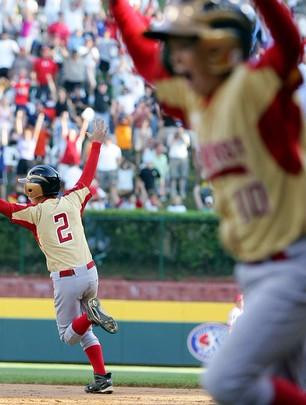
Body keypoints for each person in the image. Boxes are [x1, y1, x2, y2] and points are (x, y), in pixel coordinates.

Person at [110, 0, 306, 403]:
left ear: (219, 50)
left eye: (186, 46)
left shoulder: (254, 86)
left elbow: (288, 43)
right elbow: (145, 56)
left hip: (294, 264)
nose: (175, 56)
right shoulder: (197, 100)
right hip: (261, 270)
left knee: (228, 379)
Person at [0, 119, 118, 394]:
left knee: (68, 336)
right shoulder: (74, 199)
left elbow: (2, 206)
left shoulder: (35, 214)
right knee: (86, 334)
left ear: (35, 189)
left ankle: (90, 314)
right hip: (90, 273)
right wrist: (96, 143)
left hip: (66, 278)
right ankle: (101, 378)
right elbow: (88, 175)